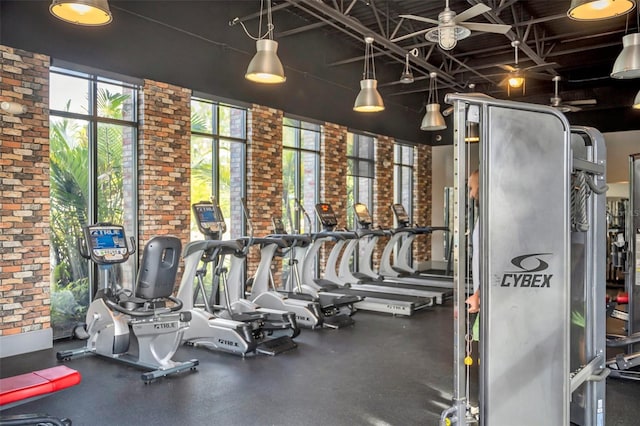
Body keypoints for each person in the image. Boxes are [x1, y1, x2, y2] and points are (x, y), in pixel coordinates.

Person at [466, 169, 480, 315]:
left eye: (472, 188)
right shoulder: (483, 217)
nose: (471, 194)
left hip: (487, 297)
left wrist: (479, 294)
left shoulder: (491, 219)